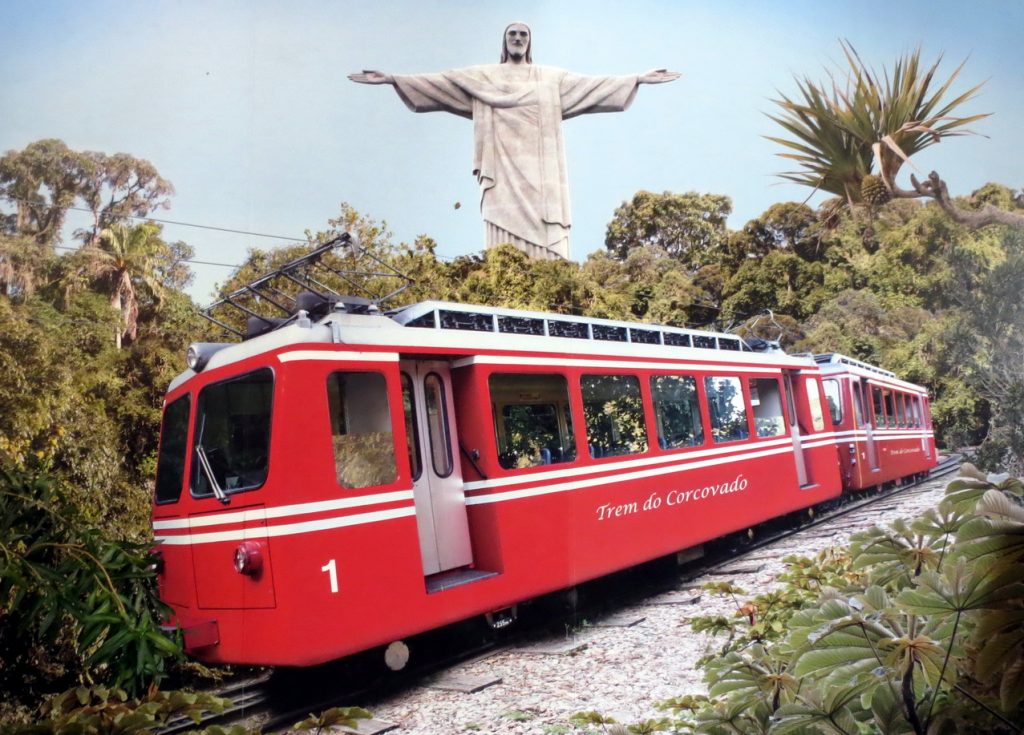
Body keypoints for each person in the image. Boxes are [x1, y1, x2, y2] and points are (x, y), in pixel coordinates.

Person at [349, 22, 679, 260]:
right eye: (512, 35)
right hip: (502, 171)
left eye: (523, 35)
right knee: (502, 229)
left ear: (529, 43)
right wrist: (393, 79)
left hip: (542, 174)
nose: (518, 39)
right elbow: (442, 83)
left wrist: (637, 79)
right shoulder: (484, 77)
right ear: (504, 42)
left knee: (547, 233)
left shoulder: (549, 77)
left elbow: (592, 85)